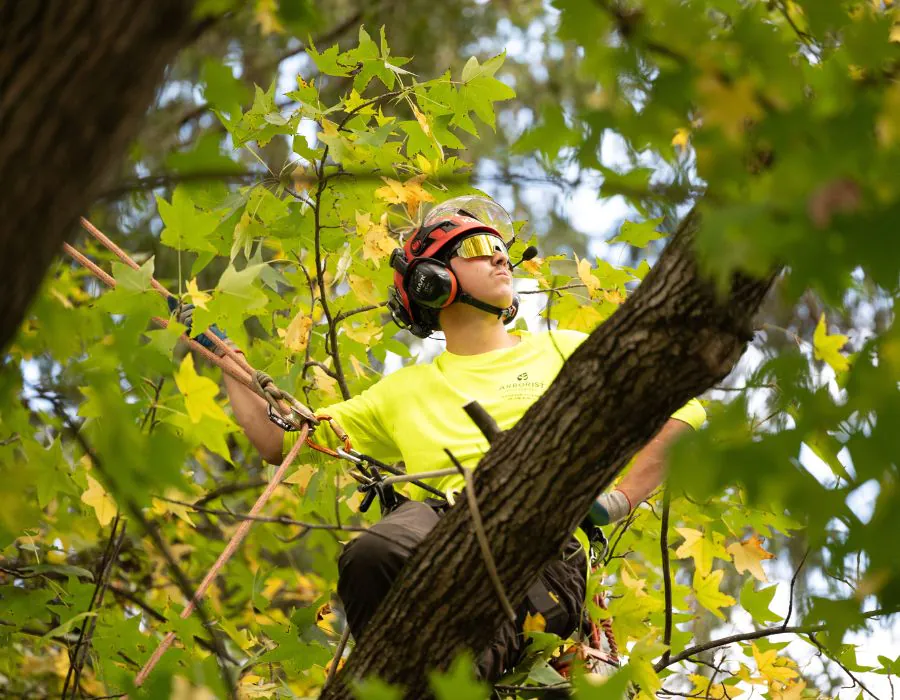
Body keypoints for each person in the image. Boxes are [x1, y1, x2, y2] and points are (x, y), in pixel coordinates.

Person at [174, 196, 705, 680]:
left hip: (543, 564)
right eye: (478, 248)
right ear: (431, 279)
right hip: (441, 548)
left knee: (444, 634)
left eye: (502, 250)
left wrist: (614, 501)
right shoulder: (403, 392)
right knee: (371, 554)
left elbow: (683, 412)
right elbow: (279, 441)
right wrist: (230, 364)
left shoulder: (562, 349)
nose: (500, 258)